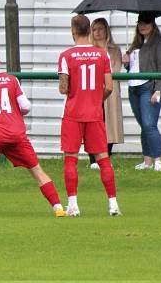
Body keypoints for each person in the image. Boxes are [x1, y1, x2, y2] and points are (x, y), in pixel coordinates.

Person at [0, 47, 65, 217]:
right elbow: (26, 107)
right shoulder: (12, 80)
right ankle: (58, 208)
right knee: (37, 170)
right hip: (16, 133)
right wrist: (13, 113)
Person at [58, 14, 119, 217]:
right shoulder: (102, 55)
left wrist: (73, 92)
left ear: (73, 31)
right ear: (88, 31)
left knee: (71, 159)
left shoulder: (66, 56)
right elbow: (109, 87)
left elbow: (63, 88)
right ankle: (113, 204)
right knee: (103, 159)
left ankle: (73, 205)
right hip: (94, 113)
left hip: (73, 114)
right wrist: (94, 98)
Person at [123, 13, 161, 172]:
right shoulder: (137, 43)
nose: (142, 26)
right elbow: (133, 68)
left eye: (146, 23)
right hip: (133, 87)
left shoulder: (160, 43)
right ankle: (147, 161)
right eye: (140, 23)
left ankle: (158, 160)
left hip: (149, 87)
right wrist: (126, 62)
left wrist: (157, 90)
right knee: (144, 125)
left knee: (150, 125)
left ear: (153, 24)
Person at [87, 18, 124, 170]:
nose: (97, 32)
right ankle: (93, 159)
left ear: (106, 30)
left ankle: (106, 156)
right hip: (92, 91)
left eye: (100, 29)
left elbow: (115, 68)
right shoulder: (89, 49)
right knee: (92, 124)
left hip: (110, 90)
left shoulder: (114, 49)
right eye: (94, 29)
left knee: (110, 124)